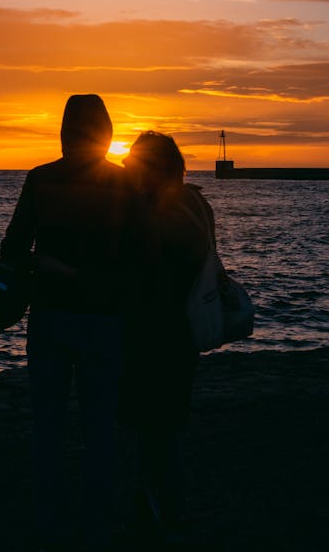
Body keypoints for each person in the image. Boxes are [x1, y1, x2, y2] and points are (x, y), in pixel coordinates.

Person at [0, 94, 132, 552]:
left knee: (48, 422)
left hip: (52, 318)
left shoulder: (40, 180)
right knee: (100, 425)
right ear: (107, 132)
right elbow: (143, 256)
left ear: (64, 129)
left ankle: (50, 515)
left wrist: (48, 266)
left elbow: (11, 252)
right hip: (106, 318)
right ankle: (96, 517)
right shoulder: (126, 184)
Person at [120, 131, 215, 546]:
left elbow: (140, 273)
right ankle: (166, 504)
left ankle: (158, 507)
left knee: (148, 424)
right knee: (167, 421)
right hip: (185, 332)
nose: (124, 171)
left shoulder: (153, 213)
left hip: (153, 331)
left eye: (130, 165)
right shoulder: (197, 203)